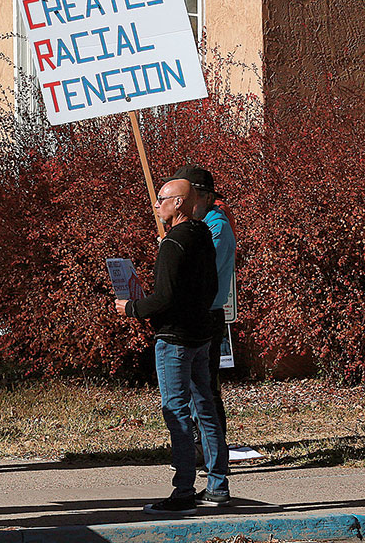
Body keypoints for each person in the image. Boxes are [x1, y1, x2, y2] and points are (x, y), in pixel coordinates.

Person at [114, 179, 230, 515]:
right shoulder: (203, 235)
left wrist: (131, 308)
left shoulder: (174, 243)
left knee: (176, 411)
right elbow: (209, 288)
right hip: (200, 333)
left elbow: (164, 298)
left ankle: (183, 491)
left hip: (175, 338)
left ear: (179, 203)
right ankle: (218, 485)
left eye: (162, 199)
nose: (156, 205)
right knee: (205, 407)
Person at [169, 166, 236, 443]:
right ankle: (204, 447)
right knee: (196, 387)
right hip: (196, 313)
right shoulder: (198, 227)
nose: (184, 203)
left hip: (206, 314)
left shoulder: (215, 228)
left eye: (190, 195)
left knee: (204, 389)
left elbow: (198, 270)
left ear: (206, 197)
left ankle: (210, 448)